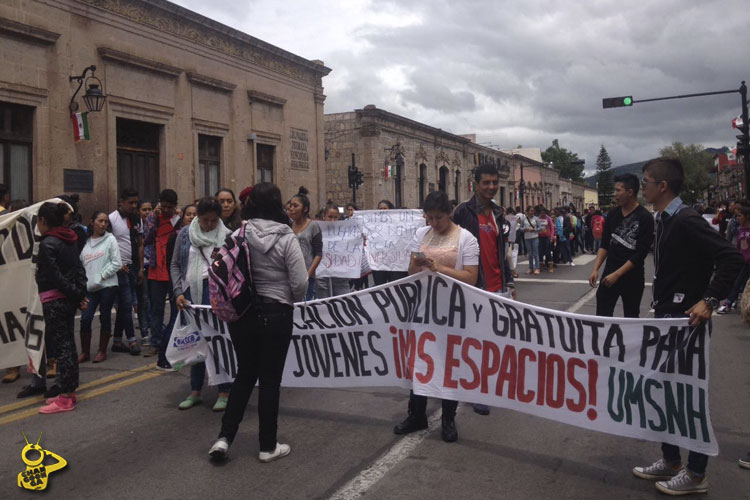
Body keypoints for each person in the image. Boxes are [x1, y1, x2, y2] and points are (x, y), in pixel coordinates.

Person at [633, 157, 743, 495]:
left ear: (662, 186)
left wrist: (709, 301)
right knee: (663, 393)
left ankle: (696, 473)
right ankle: (671, 460)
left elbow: (731, 257)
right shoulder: (664, 220)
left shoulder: (686, 219)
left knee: (688, 396)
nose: (643, 188)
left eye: (646, 182)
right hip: (667, 319)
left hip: (687, 323)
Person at [209, 182, 308, 462]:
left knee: (244, 376)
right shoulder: (287, 237)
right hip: (277, 314)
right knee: (270, 382)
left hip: (243, 315)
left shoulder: (239, 233)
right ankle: (267, 445)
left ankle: (224, 438)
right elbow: (300, 285)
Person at [393, 190, 479, 442]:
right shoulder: (421, 234)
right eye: (429, 218)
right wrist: (416, 263)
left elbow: (471, 277)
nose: (433, 224)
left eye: (438, 218)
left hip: (452, 310)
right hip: (423, 308)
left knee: (449, 361)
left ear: (450, 213)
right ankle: (416, 414)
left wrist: (439, 268)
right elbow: (409, 272)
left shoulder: (466, 238)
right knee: (420, 360)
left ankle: (448, 418)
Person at [453, 163, 515, 416]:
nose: (491, 187)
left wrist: (509, 282)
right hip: (474, 288)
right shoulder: (463, 213)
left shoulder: (498, 213)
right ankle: (476, 390)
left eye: (494, 183)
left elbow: (502, 252)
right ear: (475, 184)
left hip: (499, 287)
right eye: (486, 183)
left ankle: (488, 386)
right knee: (474, 341)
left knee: (495, 341)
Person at [171, 197, 232, 411]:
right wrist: (178, 291)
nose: (209, 225)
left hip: (216, 293)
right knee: (194, 342)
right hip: (190, 294)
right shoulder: (185, 234)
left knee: (217, 342)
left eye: (213, 221)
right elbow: (176, 265)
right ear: (197, 216)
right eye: (205, 220)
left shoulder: (226, 236)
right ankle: (195, 390)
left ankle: (224, 390)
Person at [34, 202, 87, 413]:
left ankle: (66, 397)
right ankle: (68, 390)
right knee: (68, 346)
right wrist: (79, 294)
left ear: (43, 221)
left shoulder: (48, 244)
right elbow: (78, 269)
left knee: (63, 347)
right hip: (66, 299)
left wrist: (75, 294)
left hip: (55, 300)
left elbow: (56, 277)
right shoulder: (69, 239)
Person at [588, 174, 654, 318]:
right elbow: (605, 244)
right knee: (602, 315)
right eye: (614, 190)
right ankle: (605, 340)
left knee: (631, 316)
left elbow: (640, 254)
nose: (615, 194)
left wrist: (617, 274)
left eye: (618, 190)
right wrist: (595, 269)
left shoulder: (645, 217)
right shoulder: (612, 214)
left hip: (632, 277)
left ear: (630, 192)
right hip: (609, 274)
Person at [78, 211, 122, 363]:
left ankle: (102, 351)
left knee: (104, 316)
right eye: (100, 221)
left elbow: (117, 263)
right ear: (92, 222)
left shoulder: (111, 239)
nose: (103, 224)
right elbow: (82, 264)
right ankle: (85, 352)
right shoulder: (87, 242)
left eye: (105, 222)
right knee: (85, 317)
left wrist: (102, 276)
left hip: (107, 285)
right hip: (90, 288)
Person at [143, 189, 180, 369]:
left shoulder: (178, 219)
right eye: (163, 206)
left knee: (175, 311)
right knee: (156, 309)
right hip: (156, 270)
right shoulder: (152, 218)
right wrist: (154, 220)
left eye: (169, 207)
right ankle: (155, 343)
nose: (166, 210)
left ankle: (171, 343)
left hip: (173, 271)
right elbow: (147, 238)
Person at [109, 188, 144, 354]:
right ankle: (131, 340)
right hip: (119, 269)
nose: (133, 206)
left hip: (133, 267)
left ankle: (117, 340)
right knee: (127, 304)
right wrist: (116, 264)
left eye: (136, 202)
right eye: (130, 203)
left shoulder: (137, 219)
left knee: (124, 305)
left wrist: (141, 268)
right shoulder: (111, 219)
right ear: (121, 202)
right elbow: (107, 245)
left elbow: (140, 243)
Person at [287, 187, 322, 300]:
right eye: (290, 205)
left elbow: (318, 253)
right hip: (291, 276)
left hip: (307, 276)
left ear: (305, 209)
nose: (291, 209)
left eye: (295, 206)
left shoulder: (313, 226)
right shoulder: (288, 226)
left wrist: (308, 274)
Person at [717, 200, 750, 313]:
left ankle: (730, 302)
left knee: (740, 283)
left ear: (746, 217)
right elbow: (739, 245)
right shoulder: (740, 229)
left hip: (748, 262)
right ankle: (729, 302)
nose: (738, 218)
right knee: (736, 282)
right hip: (742, 261)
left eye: (740, 216)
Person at [316, 203, 352, 298]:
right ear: (324, 217)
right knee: (324, 304)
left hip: (340, 274)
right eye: (330, 217)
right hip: (322, 275)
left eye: (335, 217)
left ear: (339, 217)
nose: (332, 220)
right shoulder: (316, 231)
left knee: (344, 302)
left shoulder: (345, 232)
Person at [134, 200, 153, 343]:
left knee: (153, 300)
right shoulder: (136, 225)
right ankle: (145, 331)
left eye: (149, 209)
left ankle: (153, 327)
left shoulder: (154, 223)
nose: (147, 212)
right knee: (143, 299)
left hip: (153, 264)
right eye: (144, 209)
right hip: (142, 265)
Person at [520, 205, 540, 274]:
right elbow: (520, 228)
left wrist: (534, 229)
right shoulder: (523, 219)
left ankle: (537, 268)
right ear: (527, 212)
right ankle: (530, 268)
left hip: (535, 237)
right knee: (530, 254)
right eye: (530, 211)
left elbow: (540, 228)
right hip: (527, 238)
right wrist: (525, 229)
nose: (532, 212)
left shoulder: (536, 219)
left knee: (535, 253)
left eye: (533, 211)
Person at [537, 207, 554, 273]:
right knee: (540, 252)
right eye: (541, 213)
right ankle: (541, 265)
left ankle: (550, 266)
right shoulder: (538, 218)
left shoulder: (548, 218)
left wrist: (551, 237)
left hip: (547, 237)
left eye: (543, 213)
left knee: (548, 252)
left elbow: (552, 228)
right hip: (540, 237)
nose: (542, 214)